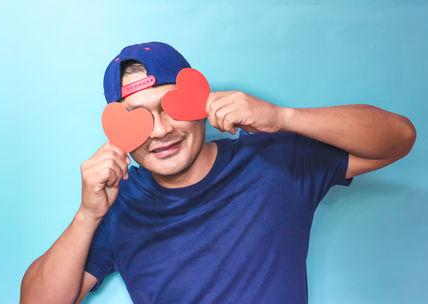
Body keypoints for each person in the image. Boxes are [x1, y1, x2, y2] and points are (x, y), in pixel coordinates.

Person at [20, 41, 416, 304]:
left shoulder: (274, 161)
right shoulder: (115, 203)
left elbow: (399, 137)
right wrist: (87, 214)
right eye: (136, 120)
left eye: (171, 106)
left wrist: (282, 116)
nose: (159, 131)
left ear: (201, 102)